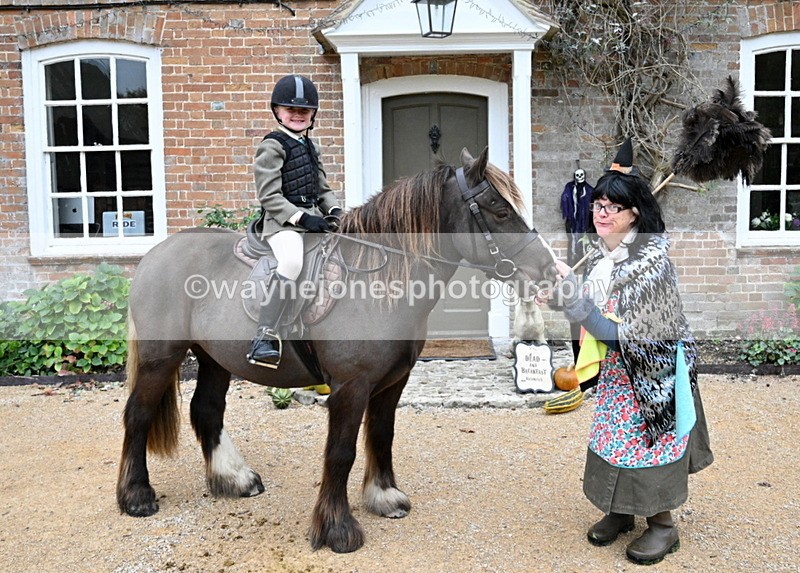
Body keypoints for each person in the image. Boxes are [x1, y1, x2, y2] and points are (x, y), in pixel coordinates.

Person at [549, 139, 713, 565]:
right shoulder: (606, 255)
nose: (601, 214)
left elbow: (621, 334)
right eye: (598, 205)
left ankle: (662, 526)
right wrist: (558, 293)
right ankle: (620, 511)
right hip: (621, 376)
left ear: (634, 212)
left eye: (612, 208)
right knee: (613, 440)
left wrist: (572, 300)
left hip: (653, 376)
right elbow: (590, 304)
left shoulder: (649, 265)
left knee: (647, 444)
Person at [247, 74, 343, 368]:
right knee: (292, 263)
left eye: (304, 111)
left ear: (313, 115)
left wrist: (336, 212)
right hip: (281, 223)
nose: (298, 115)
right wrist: (302, 218)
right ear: (277, 111)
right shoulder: (272, 146)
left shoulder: (312, 147)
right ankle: (265, 335)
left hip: (312, 218)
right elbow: (269, 196)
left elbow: (323, 188)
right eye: (291, 110)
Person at [560, 167, 594, 362]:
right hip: (573, 226)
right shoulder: (569, 189)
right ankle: (578, 360)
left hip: (584, 227)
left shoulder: (589, 191)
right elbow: (565, 203)